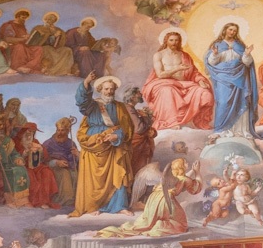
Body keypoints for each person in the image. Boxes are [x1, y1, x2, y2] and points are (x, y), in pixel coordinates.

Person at [72, 75, 136, 216]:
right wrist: (86, 82)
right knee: (95, 179)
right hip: (94, 144)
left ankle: (120, 206)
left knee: (119, 173)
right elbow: (81, 101)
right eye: (106, 89)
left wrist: (117, 136)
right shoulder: (92, 105)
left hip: (114, 146)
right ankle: (94, 206)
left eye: (112, 89)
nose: (109, 92)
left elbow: (128, 127)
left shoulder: (120, 107)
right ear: (100, 89)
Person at [141, 29, 213, 131]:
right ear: (166, 41)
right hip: (163, 84)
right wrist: (178, 68)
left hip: (184, 84)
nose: (174, 43)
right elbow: (160, 74)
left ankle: (200, 122)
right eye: (171, 40)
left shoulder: (185, 56)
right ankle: (170, 122)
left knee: (205, 93)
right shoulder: (159, 55)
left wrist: (200, 81)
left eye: (176, 40)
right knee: (167, 91)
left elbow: (194, 72)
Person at [204, 22, 260, 139]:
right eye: (230, 29)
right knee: (223, 102)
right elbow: (211, 63)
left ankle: (241, 131)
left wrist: (247, 54)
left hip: (239, 78)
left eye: (234, 30)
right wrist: (215, 54)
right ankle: (222, 130)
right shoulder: (217, 45)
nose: (232, 32)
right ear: (225, 30)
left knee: (241, 101)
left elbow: (246, 63)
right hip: (222, 78)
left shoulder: (240, 46)